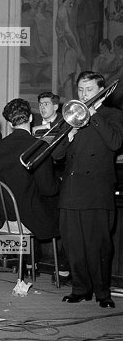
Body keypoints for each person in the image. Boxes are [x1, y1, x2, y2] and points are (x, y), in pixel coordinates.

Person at [52, 71, 123, 308]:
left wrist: (92, 115)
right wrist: (69, 135)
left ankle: (103, 293)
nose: (83, 95)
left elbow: (115, 142)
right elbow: (56, 154)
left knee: (99, 246)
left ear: (101, 90)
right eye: (81, 90)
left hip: (96, 191)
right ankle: (80, 289)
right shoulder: (70, 116)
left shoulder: (113, 114)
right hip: (71, 191)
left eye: (89, 90)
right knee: (74, 245)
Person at [0, 98, 61, 270]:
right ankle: (61, 269)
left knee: (31, 199)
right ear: (30, 118)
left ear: (9, 122)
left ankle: (29, 263)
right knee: (64, 211)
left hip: (2, 217)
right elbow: (48, 188)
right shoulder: (37, 145)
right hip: (29, 220)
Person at [56, 0, 85, 101]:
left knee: (72, 73)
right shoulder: (62, 10)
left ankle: (72, 100)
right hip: (67, 46)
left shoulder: (69, 8)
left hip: (71, 45)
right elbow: (67, 31)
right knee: (67, 74)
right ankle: (69, 101)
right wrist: (77, 48)